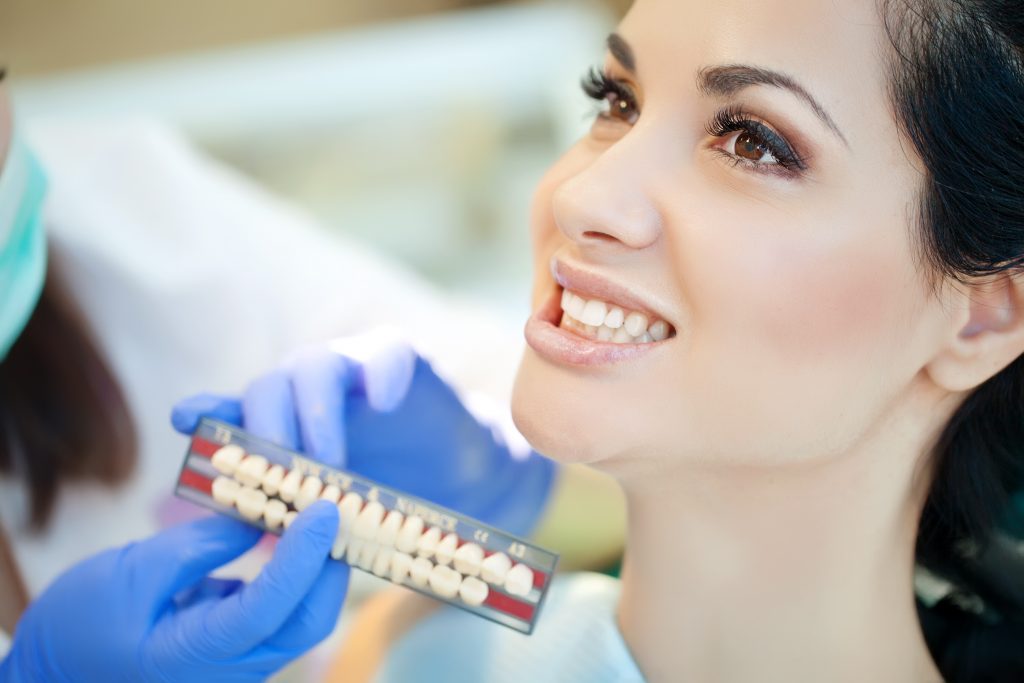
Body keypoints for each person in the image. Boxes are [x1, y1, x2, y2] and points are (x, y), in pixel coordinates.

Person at [181, 0, 1024, 681]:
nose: (584, 195)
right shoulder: (424, 650)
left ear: (984, 315)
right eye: (617, 101)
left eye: (752, 142)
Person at [0, 68, 626, 678]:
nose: (583, 197)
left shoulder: (128, 205)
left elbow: (633, 497)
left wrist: (513, 499)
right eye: (615, 104)